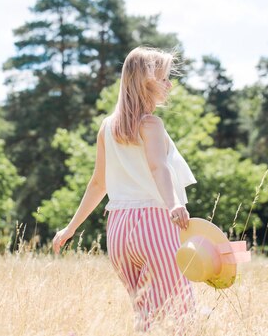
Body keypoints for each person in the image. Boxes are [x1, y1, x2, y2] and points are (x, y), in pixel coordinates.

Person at [52, 46, 197, 334]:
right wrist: (173, 205)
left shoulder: (107, 127)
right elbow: (159, 168)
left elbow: (98, 183)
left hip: (118, 231)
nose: (169, 84)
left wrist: (70, 229)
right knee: (178, 315)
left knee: (146, 318)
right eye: (164, 78)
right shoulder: (151, 125)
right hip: (156, 224)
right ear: (147, 81)